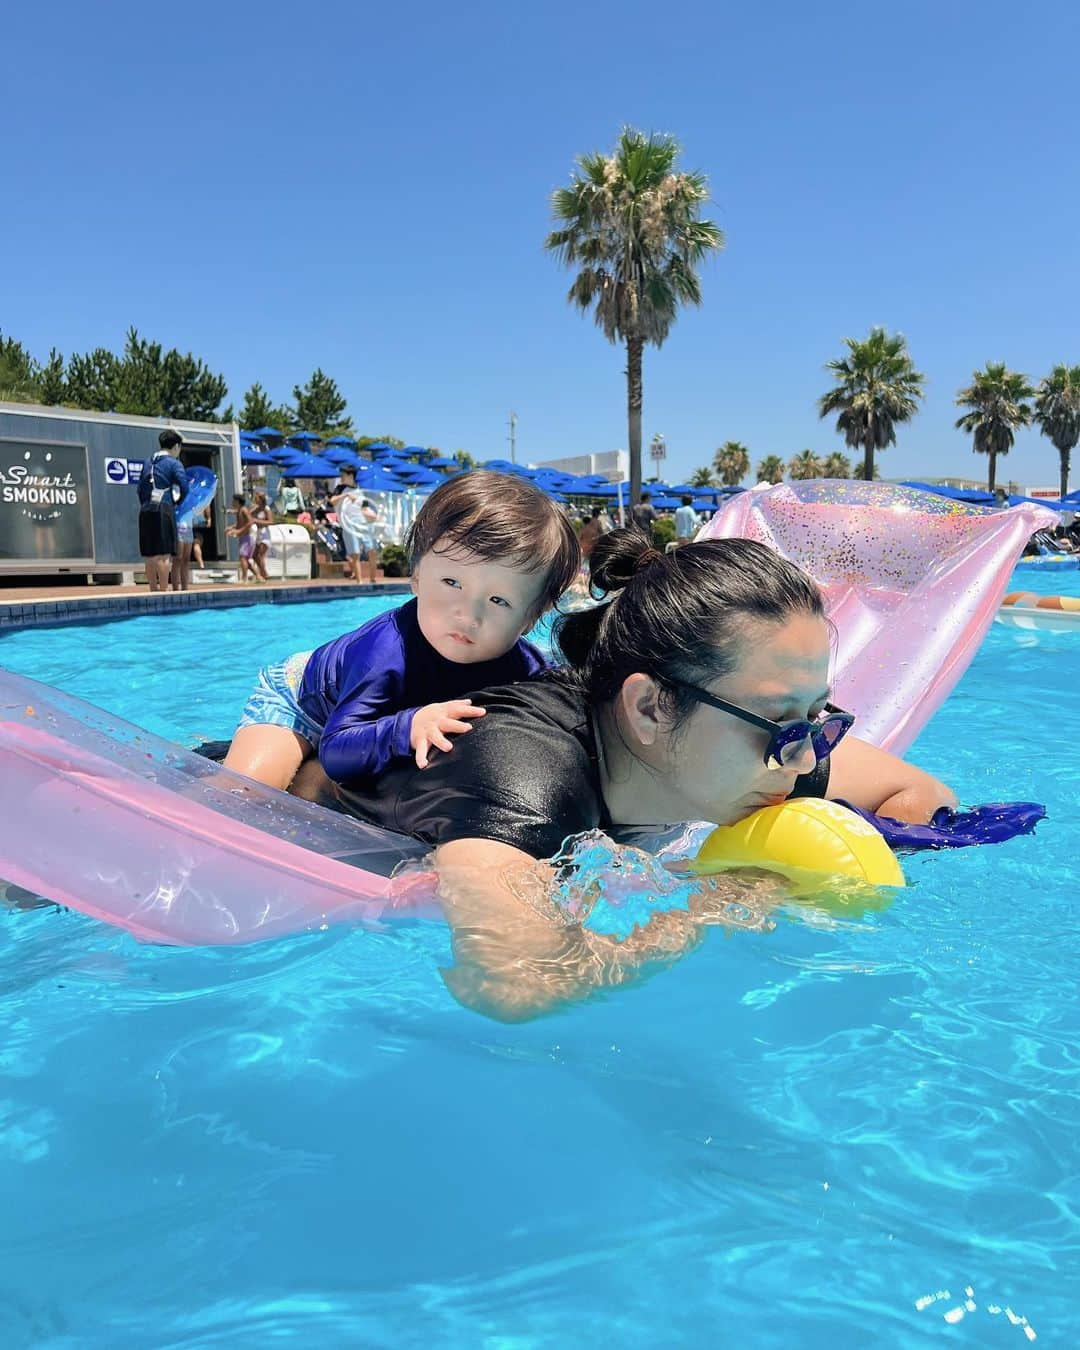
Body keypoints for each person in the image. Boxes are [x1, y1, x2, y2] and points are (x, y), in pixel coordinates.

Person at [293, 529, 956, 1022]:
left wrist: (835, 847)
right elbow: (513, 984)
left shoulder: (772, 751)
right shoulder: (524, 775)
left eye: (819, 719)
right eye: (781, 724)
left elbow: (920, 795)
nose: (807, 758)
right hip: (286, 816)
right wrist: (717, 905)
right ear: (648, 707)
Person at [222, 471, 581, 791]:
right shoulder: (385, 651)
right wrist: (406, 728)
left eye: (499, 600)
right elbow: (336, 750)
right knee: (247, 793)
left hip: (371, 716)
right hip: (305, 704)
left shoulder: (529, 668)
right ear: (417, 576)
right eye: (452, 581)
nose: (469, 614)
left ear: (532, 618)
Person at [137, 430, 190, 592]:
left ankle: (153, 589)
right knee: (164, 553)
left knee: (150, 553)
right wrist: (177, 502)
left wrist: (146, 503)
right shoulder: (174, 463)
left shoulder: (147, 462)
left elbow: (140, 489)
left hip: (146, 509)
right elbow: (185, 487)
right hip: (164, 509)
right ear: (176, 446)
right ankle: (164, 590)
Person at [226, 494, 257, 582]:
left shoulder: (243, 510)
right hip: (244, 537)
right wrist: (231, 528)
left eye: (233, 501)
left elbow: (250, 522)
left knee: (243, 557)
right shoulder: (240, 510)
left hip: (247, 537)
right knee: (245, 558)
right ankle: (258, 576)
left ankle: (244, 578)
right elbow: (241, 524)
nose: (232, 503)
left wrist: (239, 531)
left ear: (237, 502)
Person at [251, 491, 272, 581]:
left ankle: (263, 574)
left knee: (260, 555)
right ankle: (263, 573)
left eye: (257, 498)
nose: (255, 500)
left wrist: (257, 521)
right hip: (258, 533)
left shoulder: (266, 509)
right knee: (254, 555)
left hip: (265, 534)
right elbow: (247, 514)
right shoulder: (256, 509)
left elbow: (271, 521)